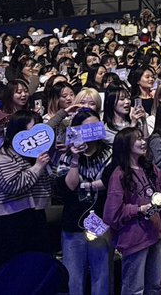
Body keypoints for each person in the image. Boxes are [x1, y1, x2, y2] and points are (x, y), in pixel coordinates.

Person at [104, 127, 161, 295]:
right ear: (126, 145)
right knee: (134, 289)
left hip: (155, 233)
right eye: (138, 139)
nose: (143, 142)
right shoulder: (119, 174)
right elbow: (112, 214)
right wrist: (138, 209)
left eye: (143, 138)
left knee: (154, 286)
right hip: (134, 238)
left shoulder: (148, 168)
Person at [54, 110, 113, 295]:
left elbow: (110, 182)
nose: (91, 131)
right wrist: (75, 158)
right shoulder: (67, 156)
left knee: (101, 277)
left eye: (95, 126)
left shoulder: (109, 153)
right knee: (73, 279)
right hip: (73, 224)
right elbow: (69, 186)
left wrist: (86, 185)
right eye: (87, 127)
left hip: (100, 222)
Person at [0, 109, 53, 270]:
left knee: (37, 266)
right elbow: (12, 186)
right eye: (33, 129)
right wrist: (37, 167)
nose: (37, 135)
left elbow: (50, 180)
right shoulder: (4, 155)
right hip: (9, 219)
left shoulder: (36, 153)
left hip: (35, 214)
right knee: (11, 270)